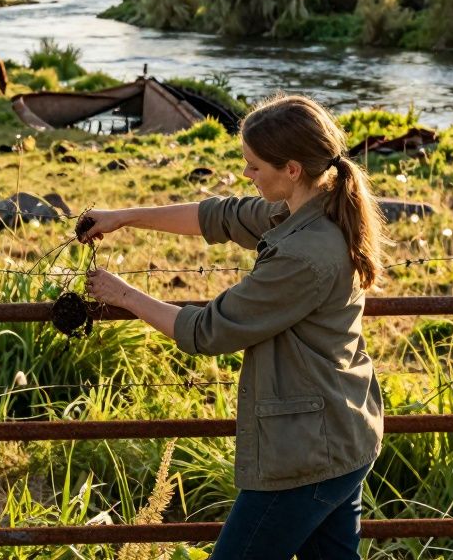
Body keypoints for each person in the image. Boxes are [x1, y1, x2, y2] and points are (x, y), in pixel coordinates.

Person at [82, 95, 386, 560]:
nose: (247, 174)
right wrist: (126, 217)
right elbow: (220, 216)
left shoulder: (304, 254)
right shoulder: (311, 207)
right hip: (341, 436)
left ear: (291, 169)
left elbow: (209, 330)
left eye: (253, 166)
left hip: (305, 454)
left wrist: (122, 295)